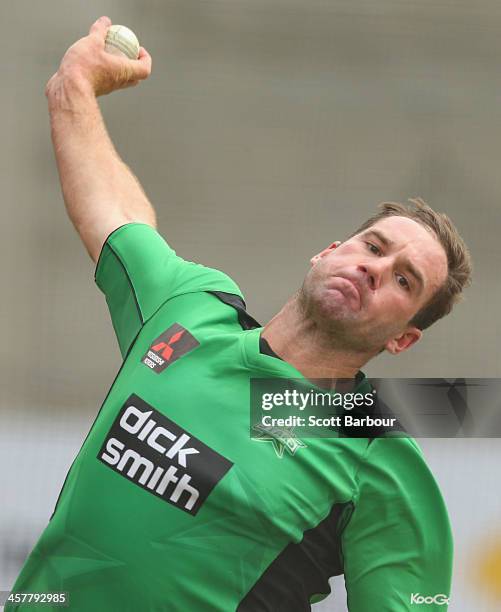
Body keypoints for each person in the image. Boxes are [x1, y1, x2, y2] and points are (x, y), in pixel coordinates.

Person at [7, 16, 472, 612]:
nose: (374, 269)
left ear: (403, 340)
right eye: (373, 247)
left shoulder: (376, 460)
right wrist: (72, 85)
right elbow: (115, 214)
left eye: (403, 280)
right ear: (329, 252)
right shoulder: (191, 309)